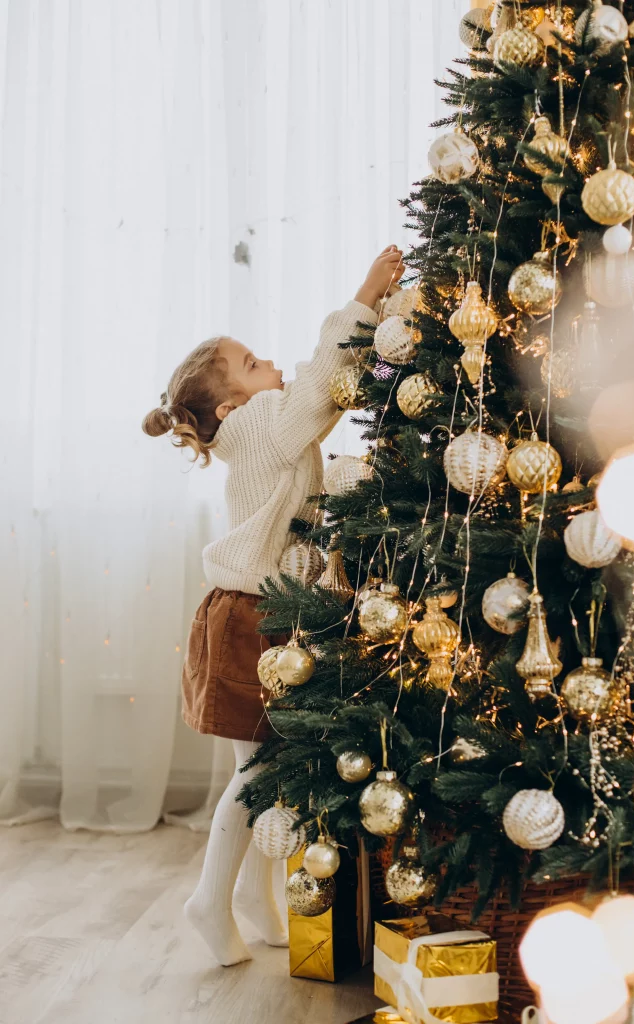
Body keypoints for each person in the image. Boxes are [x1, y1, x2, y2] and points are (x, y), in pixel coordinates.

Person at [142, 245, 405, 966]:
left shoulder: (257, 432)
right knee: (258, 774)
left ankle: (252, 900)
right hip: (255, 620)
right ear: (230, 406)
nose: (274, 368)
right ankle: (207, 900)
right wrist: (362, 298)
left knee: (253, 772)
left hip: (248, 610)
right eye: (255, 364)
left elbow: (318, 398)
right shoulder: (257, 428)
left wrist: (382, 319)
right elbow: (320, 387)